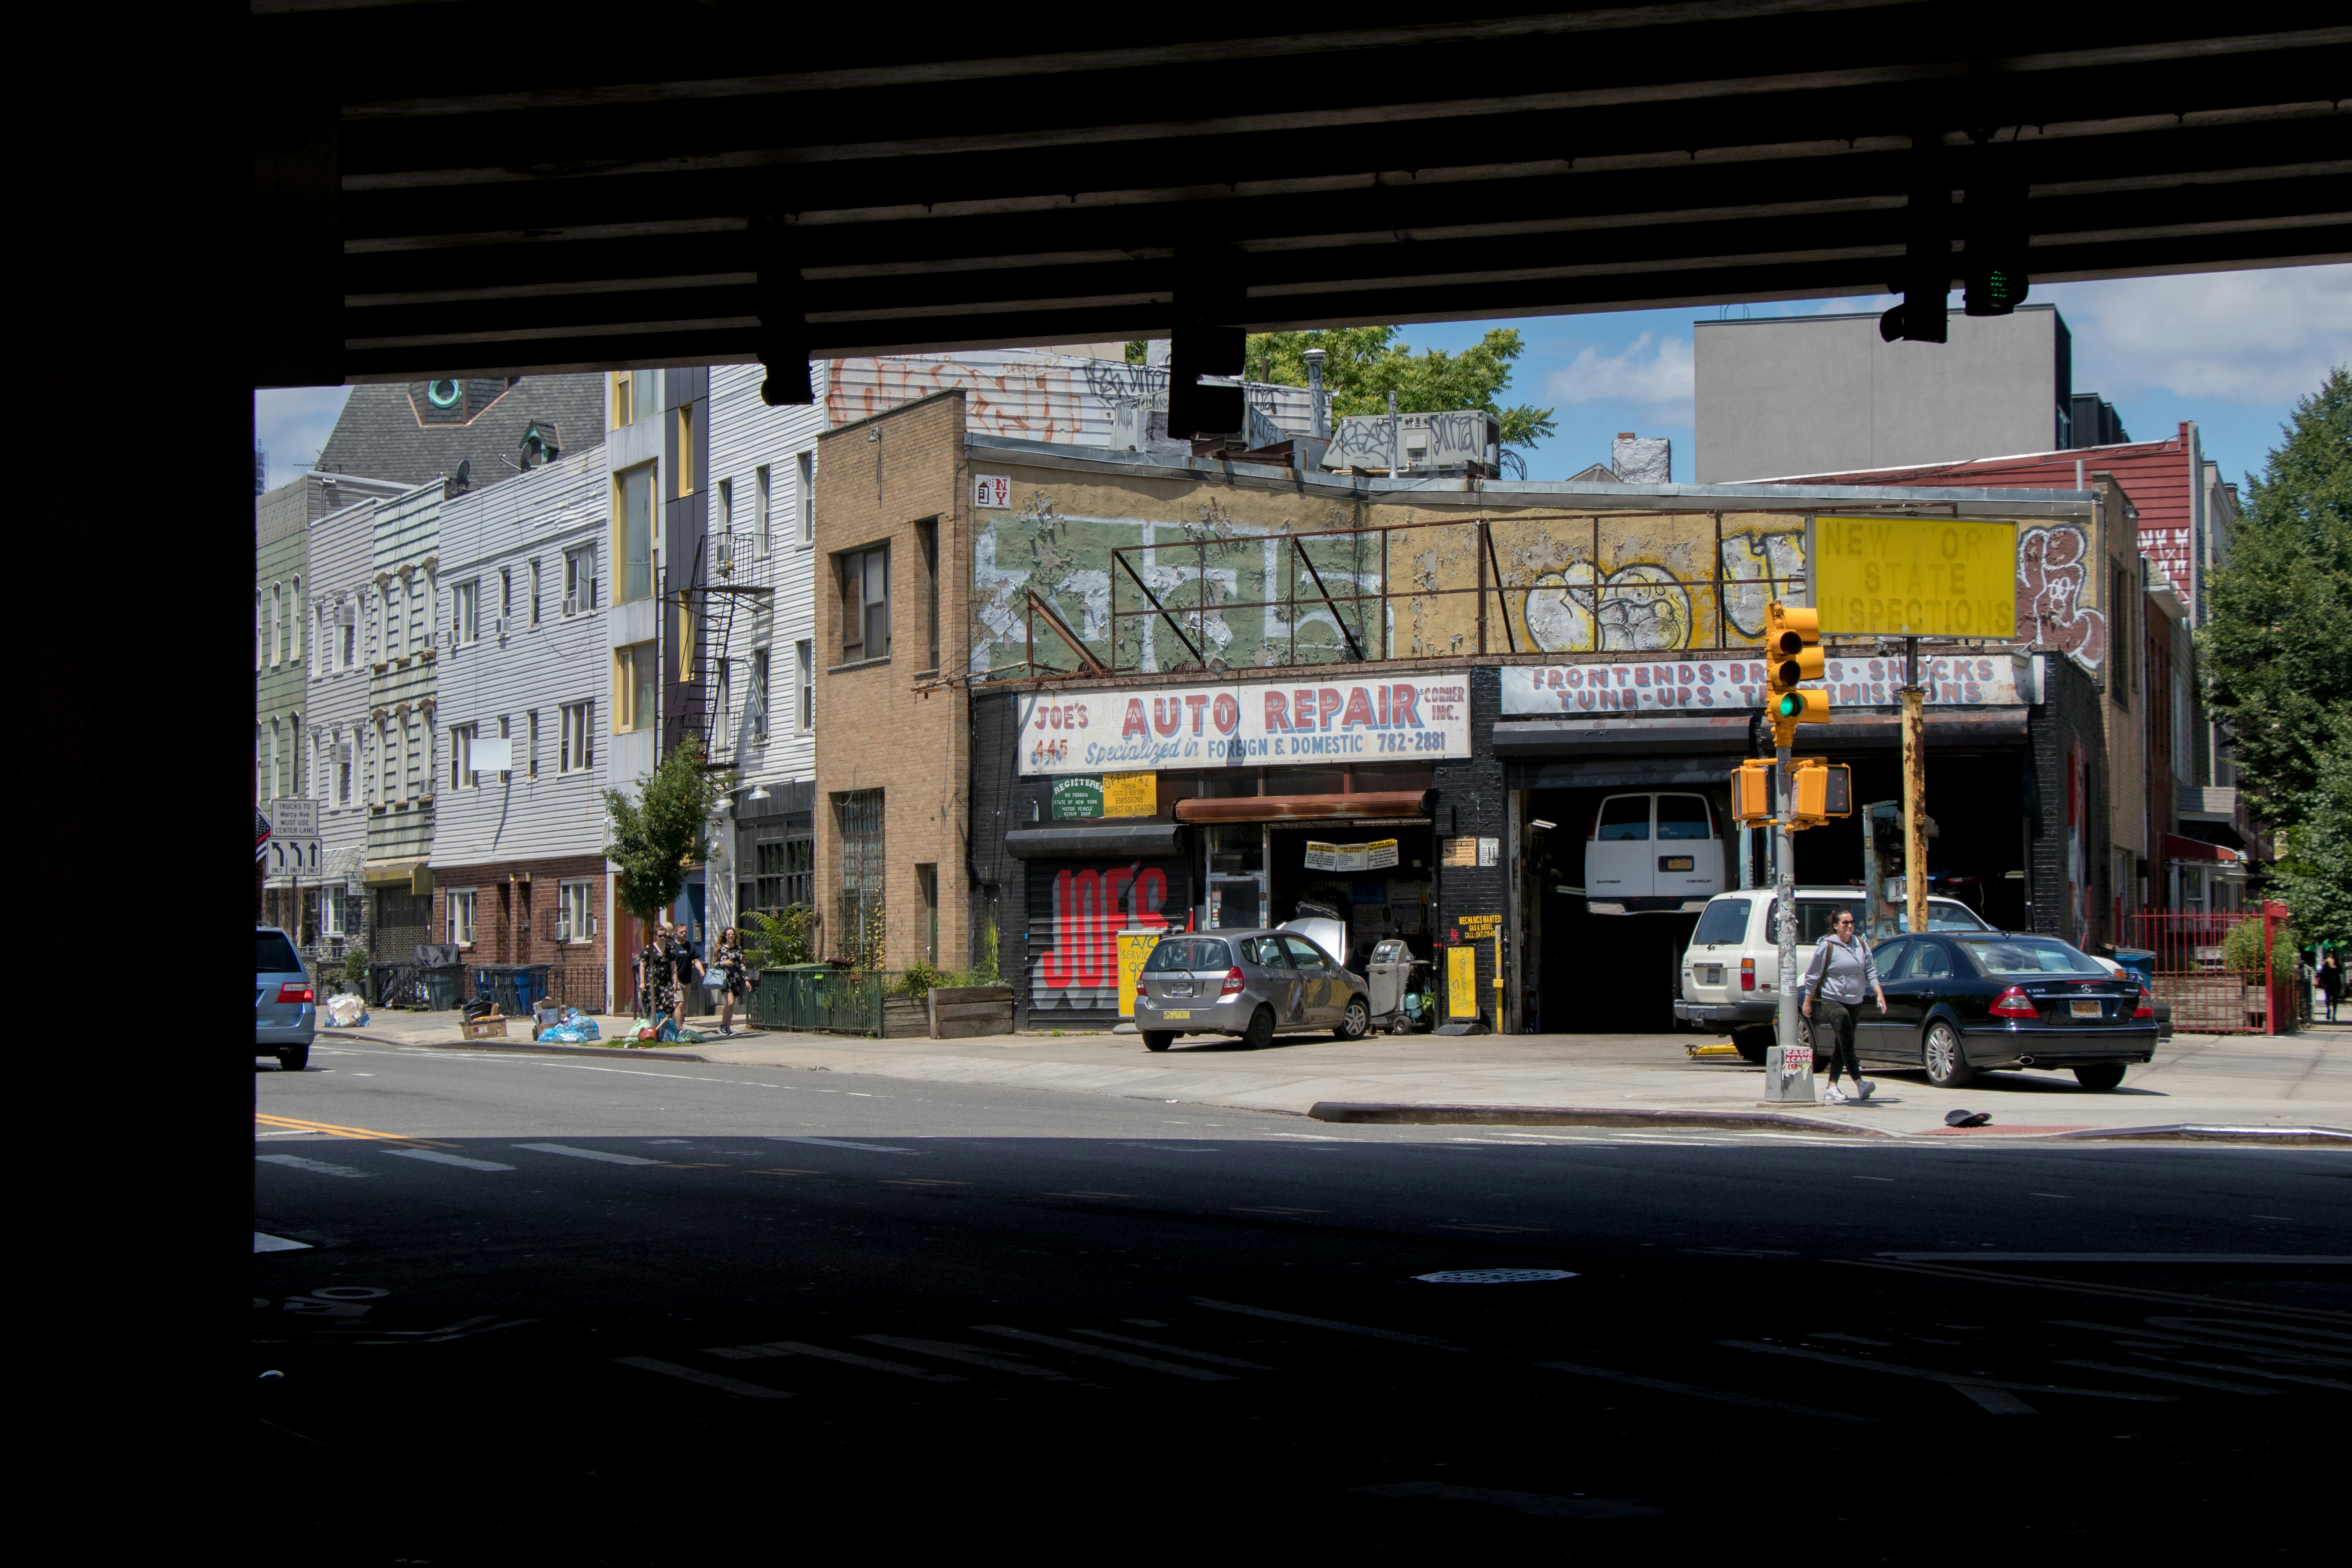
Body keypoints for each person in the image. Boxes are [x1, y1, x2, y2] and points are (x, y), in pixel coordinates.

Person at [1800, 907, 1889, 1103]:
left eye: (1852, 923)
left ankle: (1832, 1087)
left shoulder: (1861, 945)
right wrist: (1807, 1002)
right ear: (1836, 926)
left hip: (1856, 1001)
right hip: (1833, 1000)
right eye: (1845, 923)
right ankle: (1860, 1083)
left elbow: (1871, 972)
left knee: (1842, 1044)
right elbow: (1813, 975)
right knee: (1847, 1039)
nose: (1850, 926)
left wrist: (1879, 995)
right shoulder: (1827, 946)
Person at [711, 926, 748, 1035]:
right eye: (728, 935)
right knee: (730, 1002)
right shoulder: (720, 949)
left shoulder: (738, 949)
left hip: (735, 980)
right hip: (724, 980)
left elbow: (742, 966)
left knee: (732, 1005)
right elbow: (715, 965)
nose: (731, 936)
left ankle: (728, 1027)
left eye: (732, 934)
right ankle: (723, 1025)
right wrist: (725, 963)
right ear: (725, 936)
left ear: (735, 936)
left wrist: (747, 980)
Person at [670, 923, 707, 1029]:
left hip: (687, 981)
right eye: (682, 932)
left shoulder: (691, 946)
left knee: (684, 1008)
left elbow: (696, 961)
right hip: (677, 981)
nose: (684, 934)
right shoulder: (672, 946)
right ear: (676, 933)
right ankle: (680, 1029)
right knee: (680, 1004)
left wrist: (701, 970)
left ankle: (671, 1024)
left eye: (686, 931)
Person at [2320, 951, 2343, 1024]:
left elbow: (2323, 972)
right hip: (2336, 983)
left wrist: (2323, 982)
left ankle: (2328, 1010)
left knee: (2328, 998)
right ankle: (2334, 1016)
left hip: (2328, 983)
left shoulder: (2326, 962)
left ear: (2329, 954)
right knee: (2335, 999)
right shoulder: (2337, 962)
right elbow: (2341, 971)